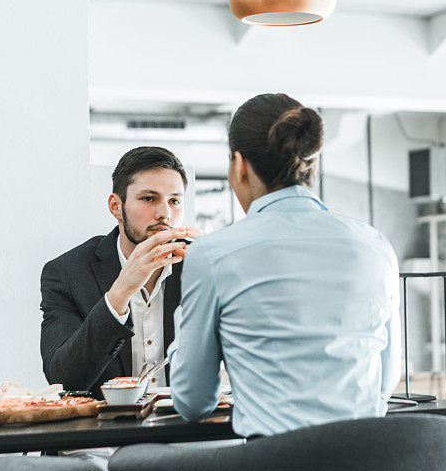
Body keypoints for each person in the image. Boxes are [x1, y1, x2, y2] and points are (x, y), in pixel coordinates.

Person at [169, 94, 402, 437]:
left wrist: (185, 330)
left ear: (239, 165)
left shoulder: (213, 254)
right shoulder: (376, 246)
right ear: (312, 165)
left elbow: (193, 401)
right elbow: (385, 382)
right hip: (368, 470)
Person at [40, 146, 201, 397]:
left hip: (187, 427)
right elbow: (64, 380)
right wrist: (120, 292)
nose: (165, 214)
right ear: (116, 206)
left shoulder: (201, 265)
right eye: (149, 198)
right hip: (106, 433)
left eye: (174, 201)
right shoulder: (66, 273)